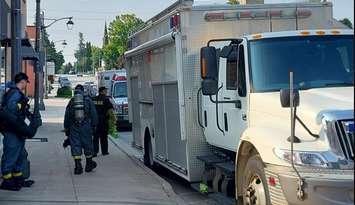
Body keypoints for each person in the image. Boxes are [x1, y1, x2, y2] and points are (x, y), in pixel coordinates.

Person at [0, 73, 40, 191]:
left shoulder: (15, 93)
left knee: (20, 155)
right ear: (22, 82)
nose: (25, 85)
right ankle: (7, 181)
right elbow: (11, 112)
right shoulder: (15, 94)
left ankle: (18, 179)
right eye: (25, 83)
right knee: (11, 154)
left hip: (16, 131)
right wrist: (22, 124)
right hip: (12, 130)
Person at [64, 84, 98, 175]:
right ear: (83, 91)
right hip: (86, 126)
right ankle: (88, 164)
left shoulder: (71, 101)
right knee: (87, 145)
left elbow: (67, 116)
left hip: (74, 126)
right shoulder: (88, 100)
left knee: (75, 146)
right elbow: (94, 114)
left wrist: (67, 128)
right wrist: (94, 126)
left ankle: (78, 167)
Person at [92, 87, 114, 157]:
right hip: (103, 121)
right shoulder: (106, 99)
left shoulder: (93, 99)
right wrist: (112, 119)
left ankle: (94, 152)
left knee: (95, 137)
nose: (106, 92)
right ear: (102, 91)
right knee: (104, 137)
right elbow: (110, 110)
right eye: (105, 90)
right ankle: (104, 151)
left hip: (95, 121)